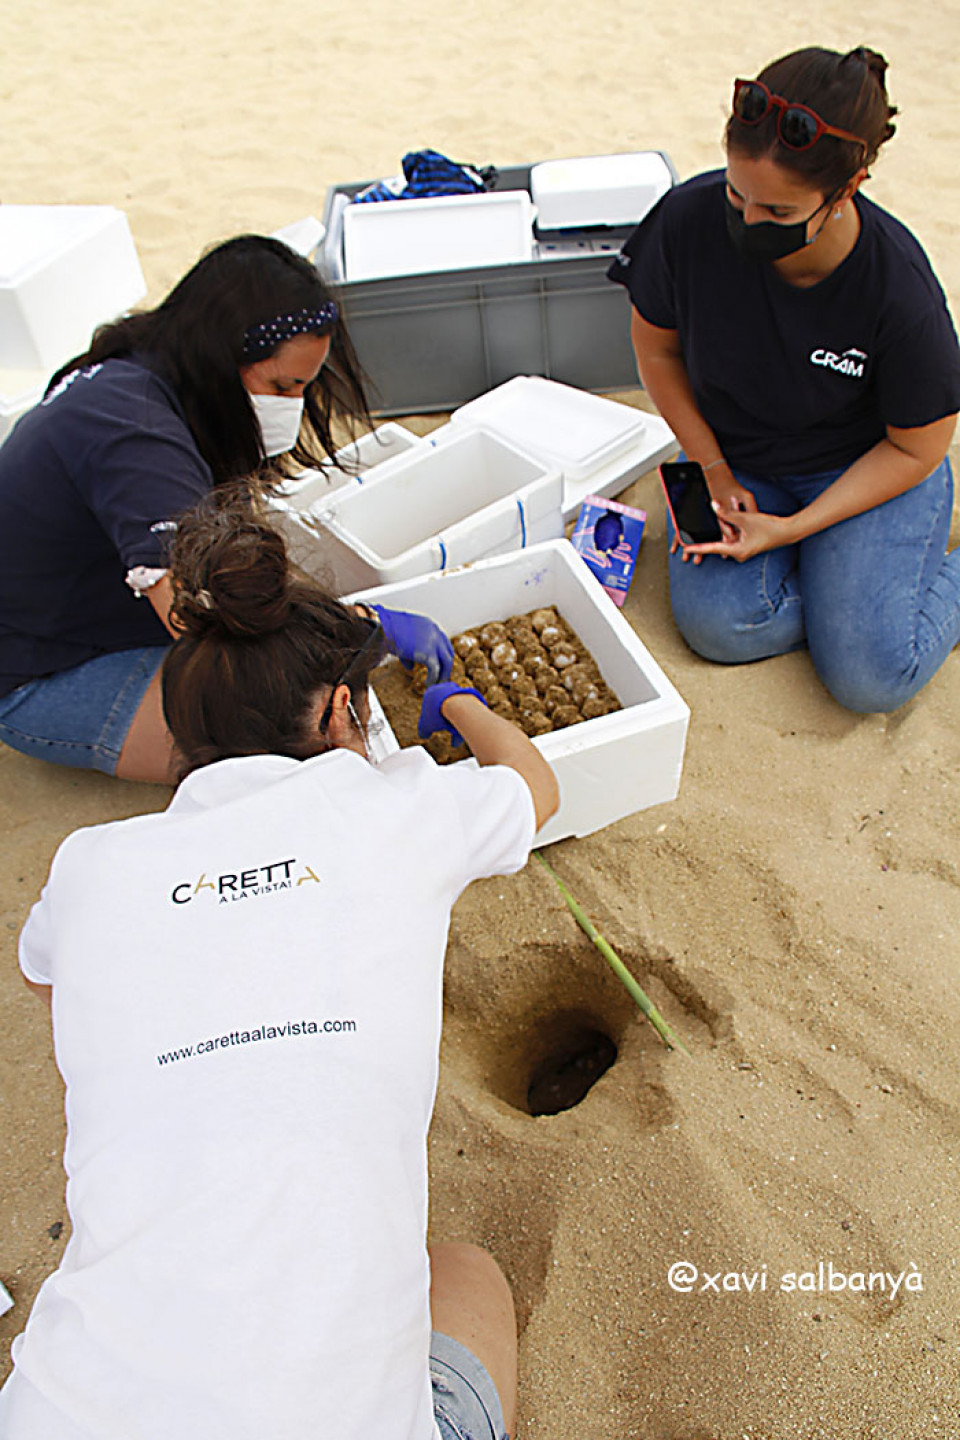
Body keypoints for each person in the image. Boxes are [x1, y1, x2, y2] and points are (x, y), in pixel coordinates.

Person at [0, 501, 559, 1440]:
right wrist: (457, 699)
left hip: (60, 1414)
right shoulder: (395, 811)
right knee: (465, 1276)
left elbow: (42, 977)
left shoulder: (90, 866)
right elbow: (535, 787)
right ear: (344, 712)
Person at [609, 45, 960, 713]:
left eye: (777, 214)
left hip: (864, 466)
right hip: (740, 458)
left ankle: (864, 591)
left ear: (846, 190)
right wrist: (713, 469)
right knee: (718, 628)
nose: (747, 223)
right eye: (736, 195)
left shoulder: (899, 292)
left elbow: (918, 447)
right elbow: (656, 353)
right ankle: (844, 594)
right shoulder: (687, 220)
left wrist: (795, 528)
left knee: (870, 679)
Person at [0, 233, 377, 783]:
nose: (291, 407)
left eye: (303, 388)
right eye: (281, 386)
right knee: (286, 728)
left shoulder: (155, 366)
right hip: (40, 674)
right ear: (223, 356)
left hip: (96, 611)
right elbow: (218, 627)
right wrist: (354, 632)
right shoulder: (138, 438)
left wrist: (343, 629)